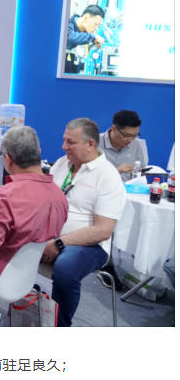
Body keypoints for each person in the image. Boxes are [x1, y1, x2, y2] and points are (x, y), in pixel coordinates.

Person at [46, 118, 125, 327]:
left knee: (66, 267)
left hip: (90, 246)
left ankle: (59, 327)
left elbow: (103, 230)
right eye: (64, 140)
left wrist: (59, 243)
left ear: (90, 144)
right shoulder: (62, 164)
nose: (64, 147)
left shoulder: (108, 177)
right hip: (51, 236)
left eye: (70, 142)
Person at [0, 126, 68, 299]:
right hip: (25, 279)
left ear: (7, 159)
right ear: (39, 152)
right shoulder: (60, 197)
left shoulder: (6, 197)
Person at [99, 109, 148, 182]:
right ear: (114, 129)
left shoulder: (136, 144)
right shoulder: (95, 144)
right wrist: (117, 171)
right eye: (127, 136)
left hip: (129, 188)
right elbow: (89, 177)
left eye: (135, 135)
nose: (130, 140)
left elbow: (141, 173)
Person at [65, 4, 105, 74]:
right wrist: (93, 37)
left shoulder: (86, 36)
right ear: (85, 18)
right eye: (95, 24)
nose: (96, 28)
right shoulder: (66, 24)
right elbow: (69, 37)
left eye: (98, 25)